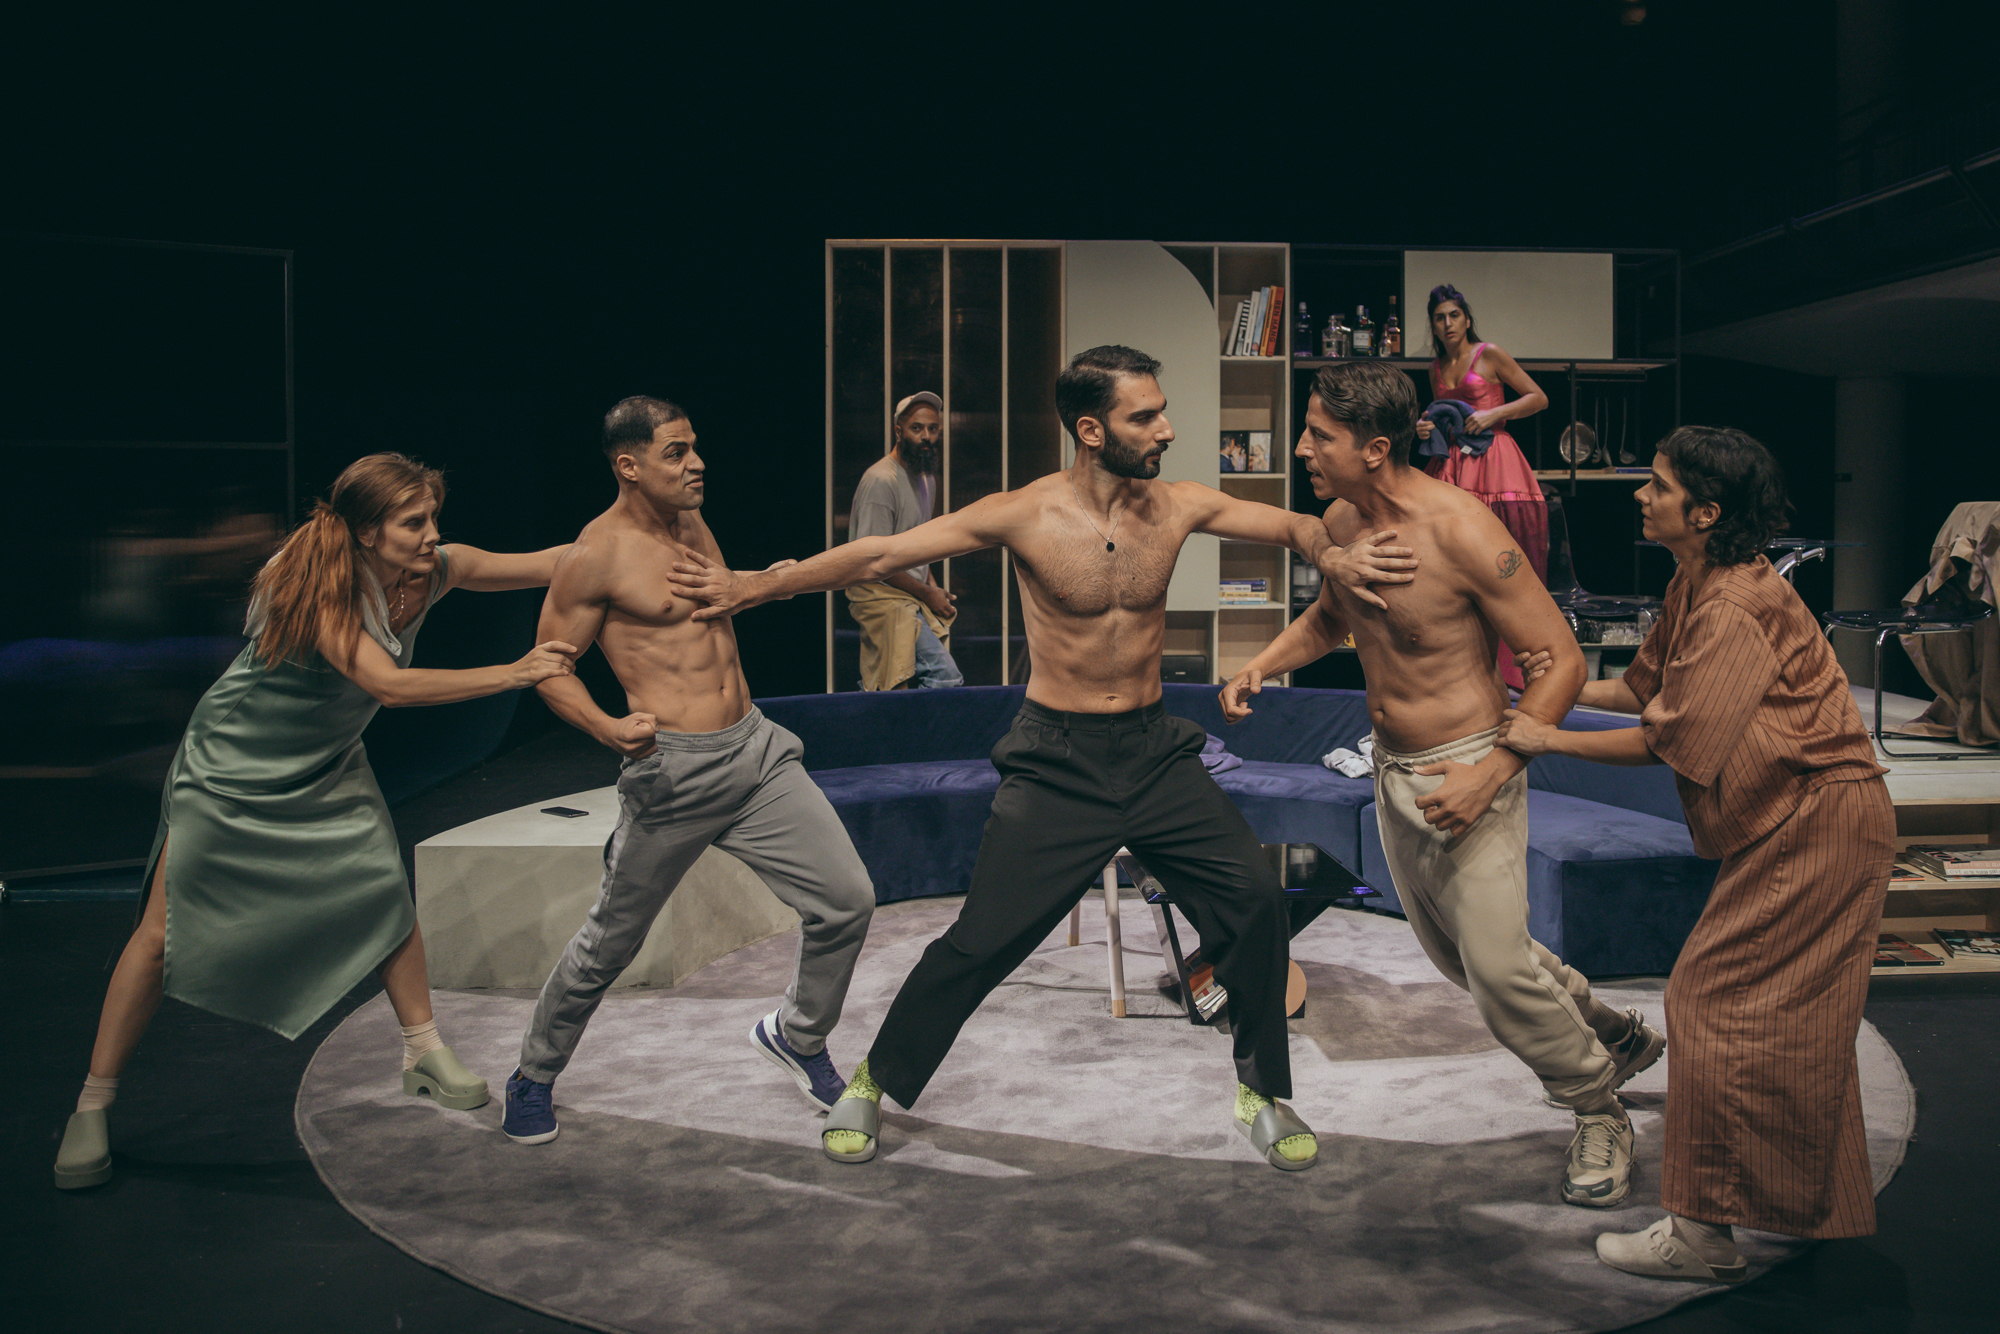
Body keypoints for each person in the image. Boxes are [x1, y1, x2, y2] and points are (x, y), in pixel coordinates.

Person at [671, 345, 1415, 1173]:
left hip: (1155, 751)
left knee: (1254, 901)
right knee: (981, 941)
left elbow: (1294, 524)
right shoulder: (1023, 513)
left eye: (1162, 411)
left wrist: (1332, 553)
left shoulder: (1177, 505)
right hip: (1058, 759)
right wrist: (757, 585)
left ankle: (1262, 1094)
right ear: (1092, 430)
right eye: (1145, 416)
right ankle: (875, 1080)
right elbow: (879, 555)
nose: (1166, 429)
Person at [53, 453, 577, 1189]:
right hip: (233, 767)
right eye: (413, 522)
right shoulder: (315, 583)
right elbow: (388, 686)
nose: (432, 534)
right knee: (162, 933)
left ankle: (422, 1049)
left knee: (384, 890)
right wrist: (517, 672)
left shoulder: (434, 570)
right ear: (367, 531)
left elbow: (549, 563)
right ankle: (92, 1104)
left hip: (328, 759)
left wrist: (634, 538)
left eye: (433, 517)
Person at [1219, 360, 1666, 1208]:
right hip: (1393, 770)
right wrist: (1264, 663)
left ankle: (1597, 1107)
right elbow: (1333, 616)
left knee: (1495, 971)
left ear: (1374, 447)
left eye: (1319, 435)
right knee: (1468, 957)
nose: (1304, 448)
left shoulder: (1463, 529)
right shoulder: (1343, 520)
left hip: (1471, 768)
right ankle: (1616, 1032)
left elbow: (1559, 661)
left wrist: (1491, 773)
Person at [1499, 426, 1893, 1284]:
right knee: (1794, 1023)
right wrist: (1533, 688)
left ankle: (1700, 1233)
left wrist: (1545, 739)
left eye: (1660, 485)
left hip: (1817, 820)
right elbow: (1640, 689)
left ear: (1706, 512)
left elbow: (1671, 740)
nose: (1642, 495)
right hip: (1797, 819)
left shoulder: (1733, 606)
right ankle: (1803, 1208)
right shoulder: (1695, 581)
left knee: (1710, 999)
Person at [502, 396, 877, 1144]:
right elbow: (549, 669)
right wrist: (608, 727)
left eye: (694, 447)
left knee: (847, 901)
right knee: (610, 942)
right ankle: (533, 1074)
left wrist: (766, 580)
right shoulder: (595, 556)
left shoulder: (691, 524)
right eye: (675, 452)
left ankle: (797, 1035)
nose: (696, 463)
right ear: (628, 465)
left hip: (757, 752)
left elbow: (718, 606)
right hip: (675, 773)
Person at [1414, 284, 1551, 690]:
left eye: (1454, 315)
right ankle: (1464, 664)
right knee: (1449, 557)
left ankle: (1519, 666)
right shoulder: (1435, 368)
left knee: (1504, 555)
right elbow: (1443, 415)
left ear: (1467, 319)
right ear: (1433, 326)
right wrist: (1426, 427)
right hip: (1452, 462)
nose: (1448, 323)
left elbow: (1537, 397)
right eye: (1440, 318)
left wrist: (1494, 414)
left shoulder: (1489, 354)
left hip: (1494, 460)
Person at [846, 392, 962, 690]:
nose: (926, 437)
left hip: (908, 596)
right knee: (941, 677)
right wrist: (926, 593)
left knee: (897, 688)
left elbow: (917, 546)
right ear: (898, 431)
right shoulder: (881, 480)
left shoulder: (926, 479)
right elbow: (874, 562)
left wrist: (932, 588)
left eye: (933, 429)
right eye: (916, 428)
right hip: (880, 596)